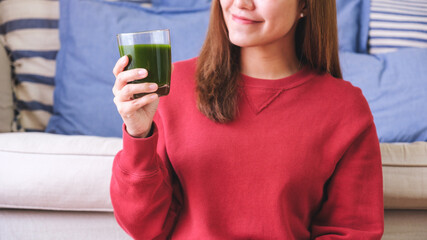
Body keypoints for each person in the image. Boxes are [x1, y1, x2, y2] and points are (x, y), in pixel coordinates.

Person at [110, 0, 384, 239]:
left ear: (305, 4)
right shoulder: (172, 86)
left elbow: (351, 232)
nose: (241, 3)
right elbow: (144, 228)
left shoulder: (344, 109)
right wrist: (139, 135)